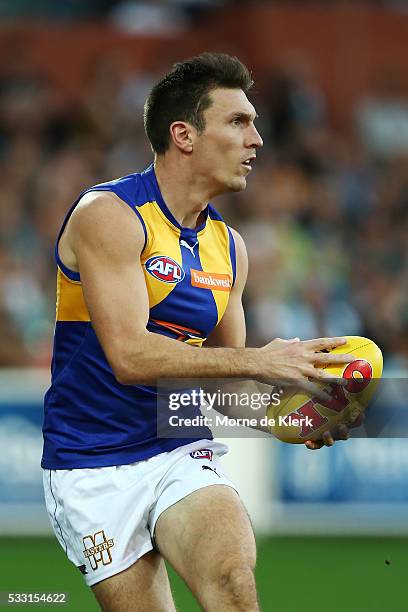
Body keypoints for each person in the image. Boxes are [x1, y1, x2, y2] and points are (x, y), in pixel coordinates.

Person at [41, 53, 354, 611]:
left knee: (233, 582)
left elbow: (225, 388)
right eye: (239, 122)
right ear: (183, 135)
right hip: (90, 463)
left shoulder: (230, 248)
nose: (257, 140)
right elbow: (129, 357)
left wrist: (293, 416)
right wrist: (260, 362)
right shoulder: (111, 214)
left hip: (178, 446)